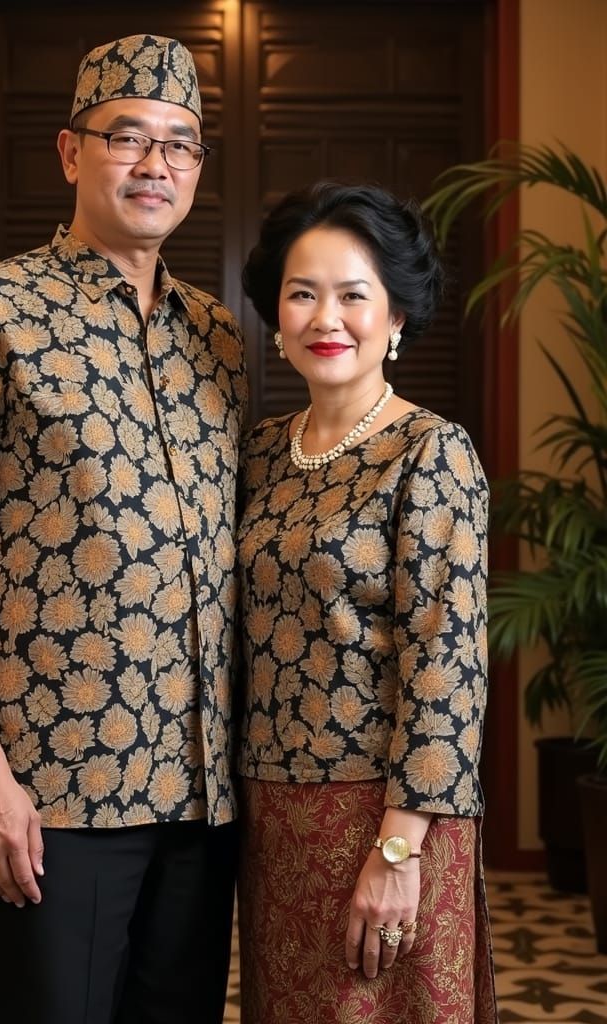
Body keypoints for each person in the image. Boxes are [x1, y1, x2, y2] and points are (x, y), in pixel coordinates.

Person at [0, 34, 247, 1024]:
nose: (156, 164)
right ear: (68, 152)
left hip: (201, 796)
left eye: (179, 144)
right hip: (52, 791)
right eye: (128, 136)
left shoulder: (218, 341)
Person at [236, 181, 497, 1023]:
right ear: (276, 317)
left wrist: (398, 847)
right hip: (273, 819)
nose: (326, 318)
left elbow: (446, 665)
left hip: (385, 819)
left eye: (354, 295)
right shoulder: (260, 456)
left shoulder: (431, 453)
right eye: (302, 294)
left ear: (396, 320)